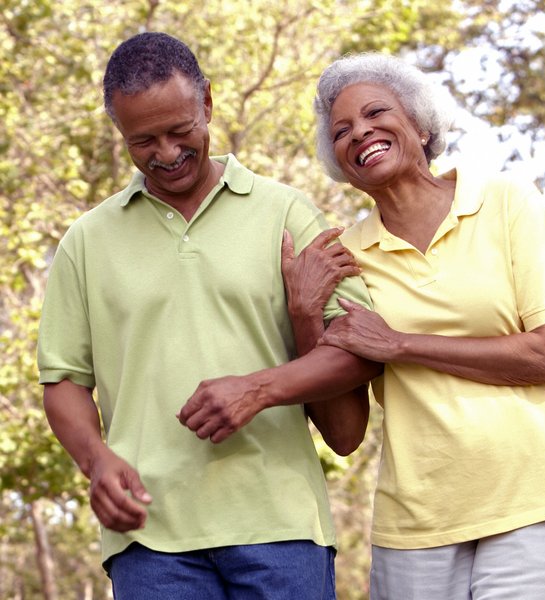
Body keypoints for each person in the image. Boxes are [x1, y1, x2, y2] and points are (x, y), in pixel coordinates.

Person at [37, 32, 381, 600]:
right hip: (149, 540)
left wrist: (259, 388)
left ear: (209, 105)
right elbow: (65, 380)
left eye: (180, 131)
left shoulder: (286, 212)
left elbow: (358, 349)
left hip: (281, 526)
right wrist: (95, 460)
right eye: (143, 140)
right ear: (120, 132)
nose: (166, 153)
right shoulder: (85, 241)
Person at [285, 52, 545, 599]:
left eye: (376, 112)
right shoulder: (344, 258)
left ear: (419, 121)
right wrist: (305, 314)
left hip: (540, 496)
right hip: (417, 522)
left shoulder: (505, 203)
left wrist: (401, 345)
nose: (360, 133)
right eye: (341, 131)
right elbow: (343, 434)